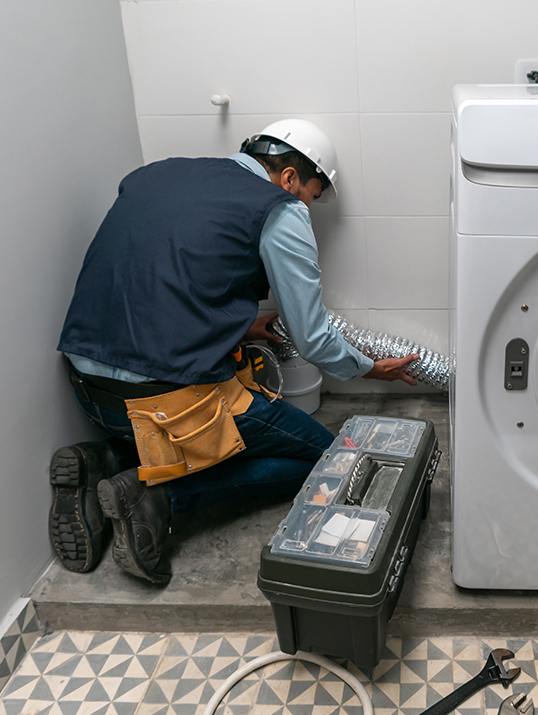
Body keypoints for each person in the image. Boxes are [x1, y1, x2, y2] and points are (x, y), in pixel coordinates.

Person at [50, 119, 418, 586]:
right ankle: (157, 499)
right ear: (288, 178)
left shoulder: (157, 173)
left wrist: (240, 325)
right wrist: (370, 370)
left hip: (90, 391)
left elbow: (153, 275)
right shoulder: (280, 209)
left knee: (199, 422)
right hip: (166, 405)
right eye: (310, 195)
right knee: (324, 459)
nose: (304, 206)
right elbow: (313, 339)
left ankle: (103, 461)